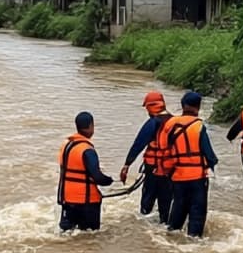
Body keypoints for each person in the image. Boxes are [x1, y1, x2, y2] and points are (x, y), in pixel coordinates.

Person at [162, 91, 219, 236]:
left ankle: (171, 235)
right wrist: (213, 164)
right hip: (197, 178)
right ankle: (194, 240)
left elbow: (164, 150)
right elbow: (209, 154)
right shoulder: (199, 126)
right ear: (198, 107)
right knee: (197, 213)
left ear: (182, 106)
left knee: (178, 209)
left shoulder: (169, 124)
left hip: (177, 177)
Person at [119, 90, 174, 225]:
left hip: (153, 168)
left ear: (150, 107)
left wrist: (127, 165)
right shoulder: (175, 121)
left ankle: (144, 228)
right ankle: (165, 224)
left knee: (147, 202)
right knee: (166, 202)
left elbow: (138, 144)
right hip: (171, 169)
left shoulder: (152, 123)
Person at [57, 111, 114, 231]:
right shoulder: (87, 150)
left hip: (67, 199)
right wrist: (109, 180)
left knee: (68, 236)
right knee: (90, 238)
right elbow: (97, 177)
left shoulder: (66, 146)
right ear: (90, 126)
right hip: (86, 202)